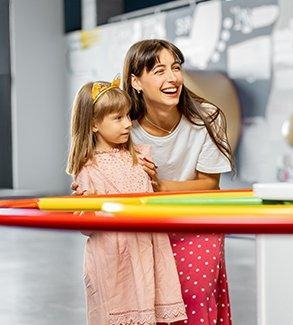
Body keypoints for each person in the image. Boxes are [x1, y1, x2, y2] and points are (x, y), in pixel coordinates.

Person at [123, 39, 234, 325]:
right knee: (148, 306)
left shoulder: (206, 118)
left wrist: (159, 187)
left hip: (196, 222)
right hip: (146, 228)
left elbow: (209, 185)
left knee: (194, 299)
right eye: (159, 71)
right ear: (136, 82)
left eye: (175, 68)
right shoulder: (125, 128)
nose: (172, 78)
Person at [66, 77, 187, 325]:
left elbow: (150, 201)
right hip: (114, 257)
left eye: (128, 116)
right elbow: (86, 227)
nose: (128, 124)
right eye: (118, 118)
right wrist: (83, 209)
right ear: (94, 124)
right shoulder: (88, 170)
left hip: (146, 249)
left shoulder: (139, 157)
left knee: (149, 312)